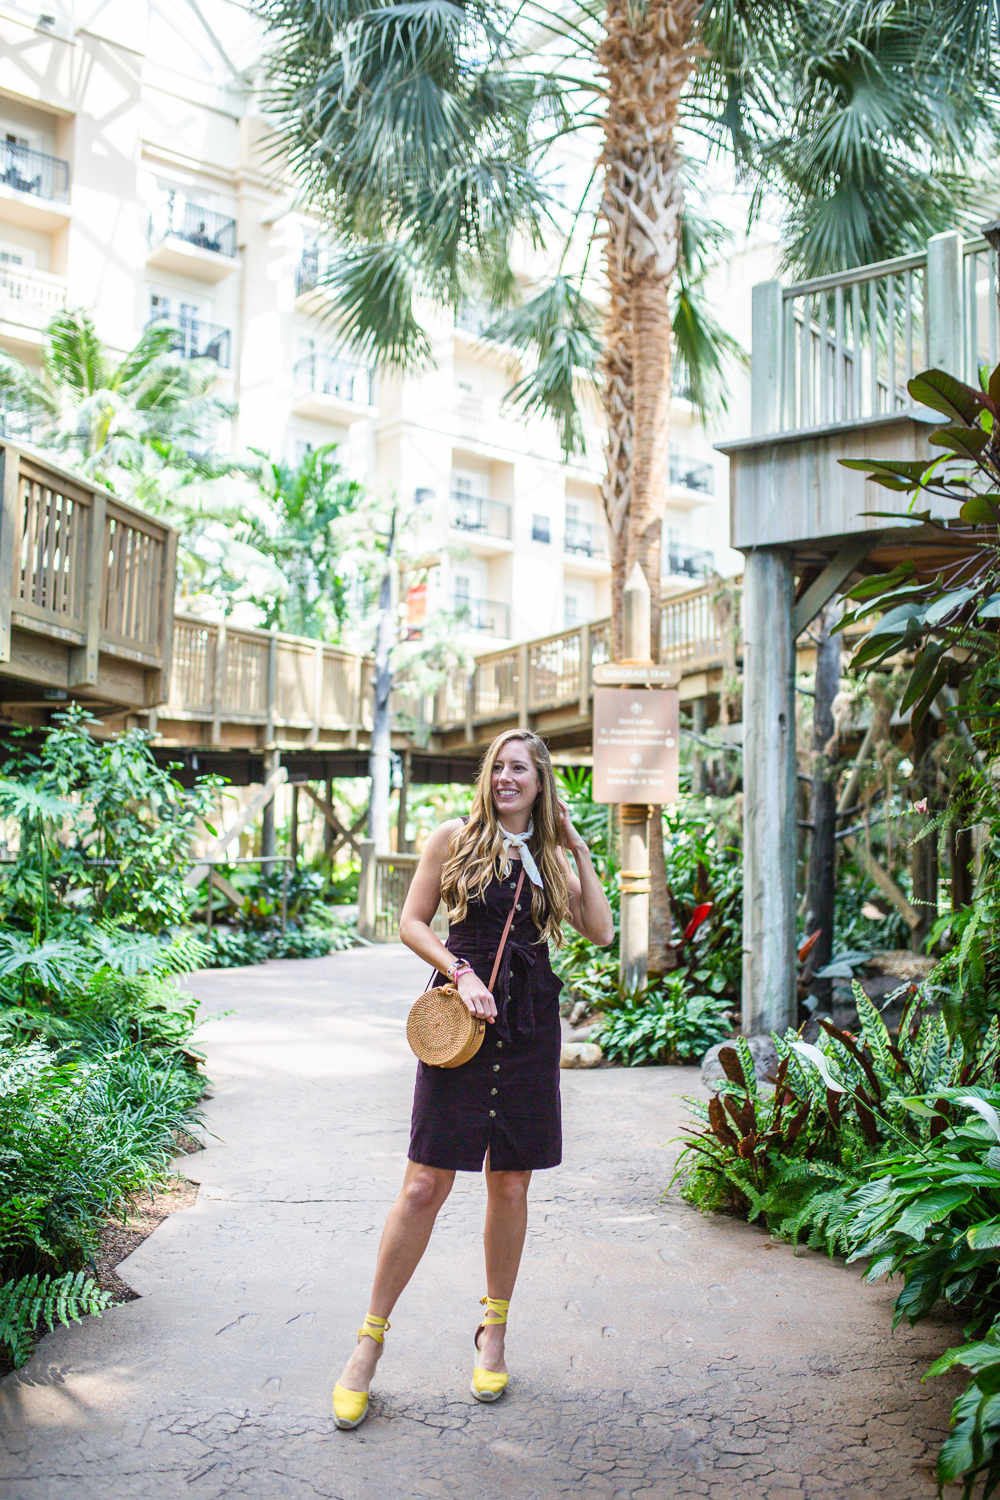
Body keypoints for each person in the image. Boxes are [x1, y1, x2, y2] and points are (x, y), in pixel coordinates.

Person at [333, 728, 614, 1429]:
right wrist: (459, 971)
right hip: (459, 1021)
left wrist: (576, 846)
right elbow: (411, 921)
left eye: (520, 769)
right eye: (497, 767)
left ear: (542, 783)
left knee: (511, 1181)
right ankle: (367, 1344)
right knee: (425, 1182)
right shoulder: (453, 839)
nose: (506, 778)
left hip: (526, 1029)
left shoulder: (549, 855)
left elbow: (601, 931)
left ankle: (494, 1332)